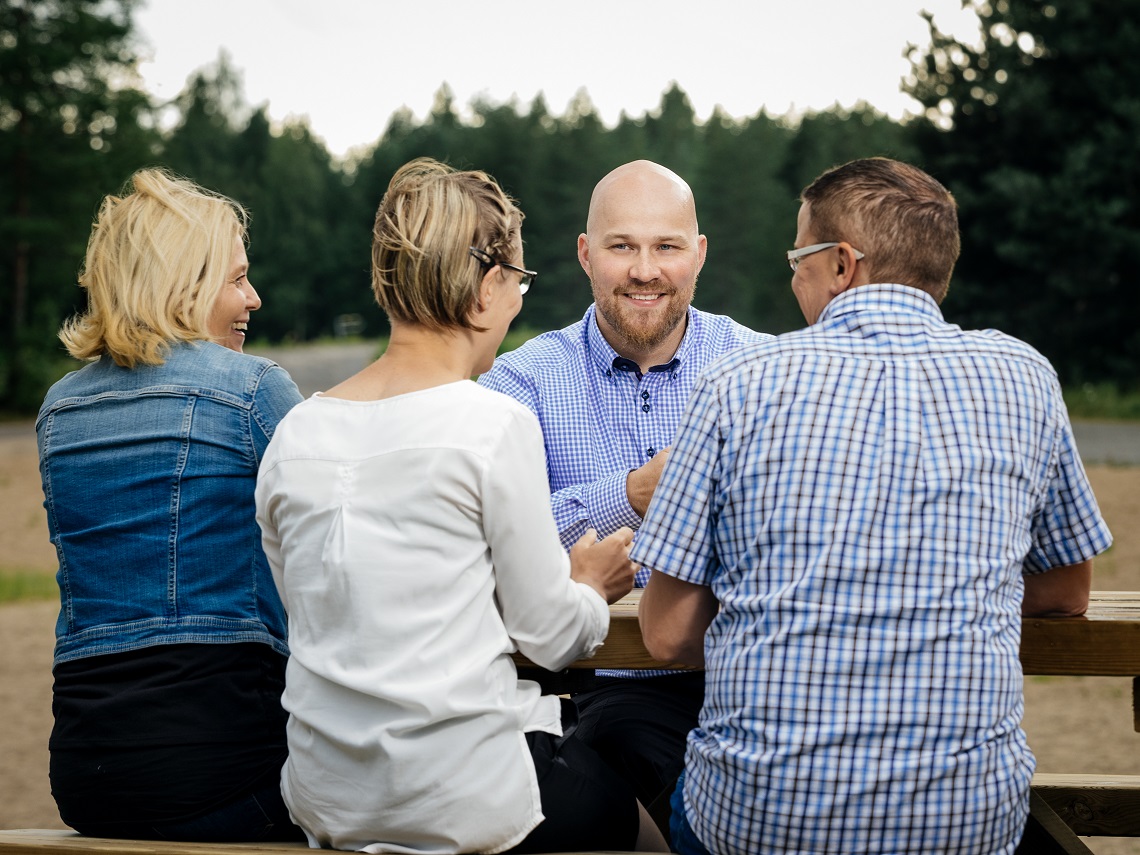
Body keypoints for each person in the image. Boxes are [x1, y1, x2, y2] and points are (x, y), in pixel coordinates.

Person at [635, 157, 1114, 855]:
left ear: (841, 265)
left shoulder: (735, 383)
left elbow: (668, 633)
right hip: (965, 825)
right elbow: (1067, 590)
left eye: (798, 258)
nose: (793, 275)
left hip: (762, 824)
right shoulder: (1025, 377)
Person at [255, 157, 668, 854]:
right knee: (633, 818)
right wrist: (591, 586)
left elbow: (316, 615)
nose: (516, 304)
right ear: (484, 288)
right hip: (462, 794)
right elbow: (552, 636)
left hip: (327, 797)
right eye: (518, 282)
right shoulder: (489, 422)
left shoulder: (296, 433)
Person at [478, 159, 771, 820]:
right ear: (585, 254)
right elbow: (493, 539)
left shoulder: (763, 367)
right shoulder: (517, 382)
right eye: (622, 246)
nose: (645, 269)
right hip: (605, 683)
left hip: (754, 677)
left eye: (666, 246)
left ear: (698, 255)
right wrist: (634, 492)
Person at [36, 169, 305, 841]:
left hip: (85, 775)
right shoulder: (253, 390)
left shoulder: (58, 407)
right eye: (236, 277)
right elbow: (337, 552)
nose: (254, 297)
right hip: (228, 766)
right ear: (184, 282)